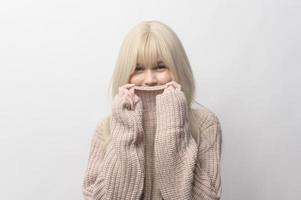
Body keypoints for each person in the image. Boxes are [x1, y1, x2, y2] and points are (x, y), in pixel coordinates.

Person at [82, 20, 222, 200]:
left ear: (177, 68)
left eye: (160, 66)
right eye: (138, 68)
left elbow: (208, 197)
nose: (150, 79)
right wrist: (126, 129)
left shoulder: (205, 124)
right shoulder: (106, 128)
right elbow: (95, 196)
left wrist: (173, 126)